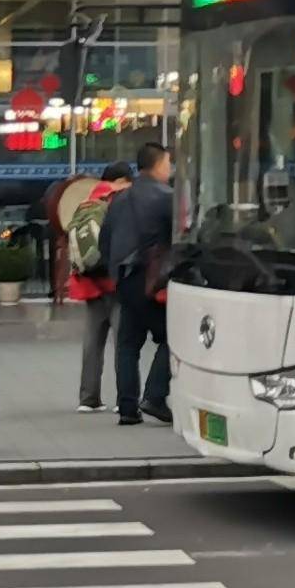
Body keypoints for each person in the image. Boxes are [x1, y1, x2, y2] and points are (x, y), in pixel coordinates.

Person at [101, 139, 177, 427]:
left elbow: (104, 241)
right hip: (152, 281)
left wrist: (115, 273)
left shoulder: (119, 199)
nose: (170, 169)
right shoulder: (167, 197)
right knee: (174, 337)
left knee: (127, 345)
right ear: (158, 164)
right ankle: (155, 396)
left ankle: (127, 409)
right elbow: (178, 240)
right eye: (168, 163)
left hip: (124, 279)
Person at [68, 160, 131, 414]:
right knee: (123, 341)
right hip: (115, 282)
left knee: (92, 342)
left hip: (90, 282)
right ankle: (123, 398)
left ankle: (88, 398)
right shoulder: (121, 201)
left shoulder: (86, 203)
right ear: (119, 181)